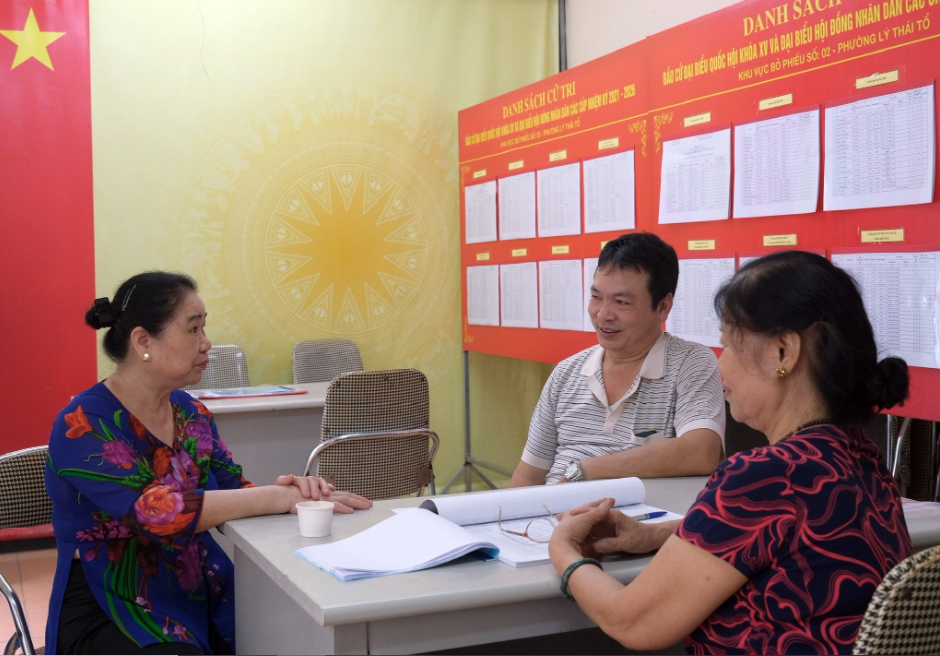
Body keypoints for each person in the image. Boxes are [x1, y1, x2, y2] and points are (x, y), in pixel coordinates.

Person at [547, 251, 914, 655]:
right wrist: (654, 535)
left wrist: (562, 550)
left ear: (782, 353)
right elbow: (780, 540)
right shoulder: (862, 457)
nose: (722, 366)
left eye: (730, 347)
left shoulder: (764, 475)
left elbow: (630, 621)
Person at [45, 272, 372, 655]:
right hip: (113, 600)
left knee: (300, 629)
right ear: (143, 341)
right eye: (193, 329)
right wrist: (274, 498)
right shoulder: (82, 423)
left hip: (197, 589)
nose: (207, 344)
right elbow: (159, 513)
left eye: (204, 328)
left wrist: (296, 492)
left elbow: (236, 490)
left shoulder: (190, 412)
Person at [510, 232, 725, 487]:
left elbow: (701, 452)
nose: (603, 314)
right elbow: (530, 473)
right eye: (596, 297)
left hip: (635, 522)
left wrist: (585, 470)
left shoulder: (690, 363)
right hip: (552, 516)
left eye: (621, 302)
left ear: (663, 307)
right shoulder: (567, 372)